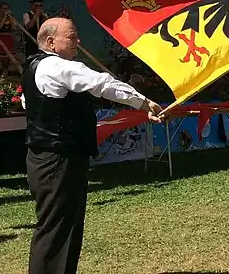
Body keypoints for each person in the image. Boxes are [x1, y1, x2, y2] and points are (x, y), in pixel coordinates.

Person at [22, 18, 162, 274]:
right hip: (58, 158)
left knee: (63, 225)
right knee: (56, 228)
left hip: (46, 156)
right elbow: (103, 84)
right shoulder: (56, 66)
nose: (78, 42)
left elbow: (28, 104)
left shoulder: (33, 67)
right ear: (51, 42)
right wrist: (144, 103)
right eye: (72, 36)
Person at [0, 2, 17, 74]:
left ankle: (5, 78)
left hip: (8, 40)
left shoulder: (10, 18)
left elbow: (14, 28)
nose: (6, 10)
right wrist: (5, 17)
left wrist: (10, 19)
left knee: (6, 62)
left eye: (7, 8)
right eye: (4, 8)